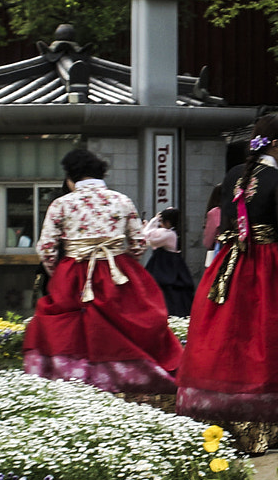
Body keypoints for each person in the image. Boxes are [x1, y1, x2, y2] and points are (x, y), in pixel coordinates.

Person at [178, 116, 278, 452]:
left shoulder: (233, 176)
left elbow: (223, 225)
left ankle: (226, 417)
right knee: (267, 340)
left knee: (229, 340)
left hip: (228, 268)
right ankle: (271, 422)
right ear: (275, 145)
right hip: (266, 270)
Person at [23, 149, 182, 392]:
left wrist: (59, 273)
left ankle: (76, 380)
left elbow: (46, 247)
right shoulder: (121, 200)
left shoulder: (62, 204)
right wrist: (125, 265)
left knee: (72, 323)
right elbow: (138, 243)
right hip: (116, 269)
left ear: (70, 177)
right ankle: (129, 377)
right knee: (127, 321)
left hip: (74, 270)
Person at [142, 207, 196, 317]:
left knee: (168, 290)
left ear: (167, 222)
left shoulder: (169, 234)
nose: (160, 224)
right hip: (167, 264)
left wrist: (152, 222)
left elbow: (146, 239)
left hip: (166, 266)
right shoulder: (169, 233)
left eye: (161, 221)